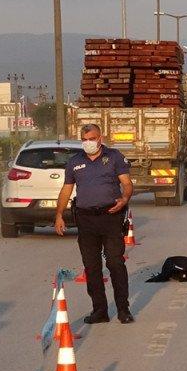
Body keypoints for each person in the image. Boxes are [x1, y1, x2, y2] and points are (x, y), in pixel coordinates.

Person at [55, 123, 135, 324]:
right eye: (84, 139)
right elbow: (66, 190)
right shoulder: (75, 162)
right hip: (86, 219)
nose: (88, 143)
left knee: (115, 262)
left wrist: (124, 199)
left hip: (110, 216)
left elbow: (126, 183)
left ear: (100, 138)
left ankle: (123, 309)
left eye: (91, 138)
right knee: (91, 267)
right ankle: (99, 310)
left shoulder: (114, 157)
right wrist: (59, 215)